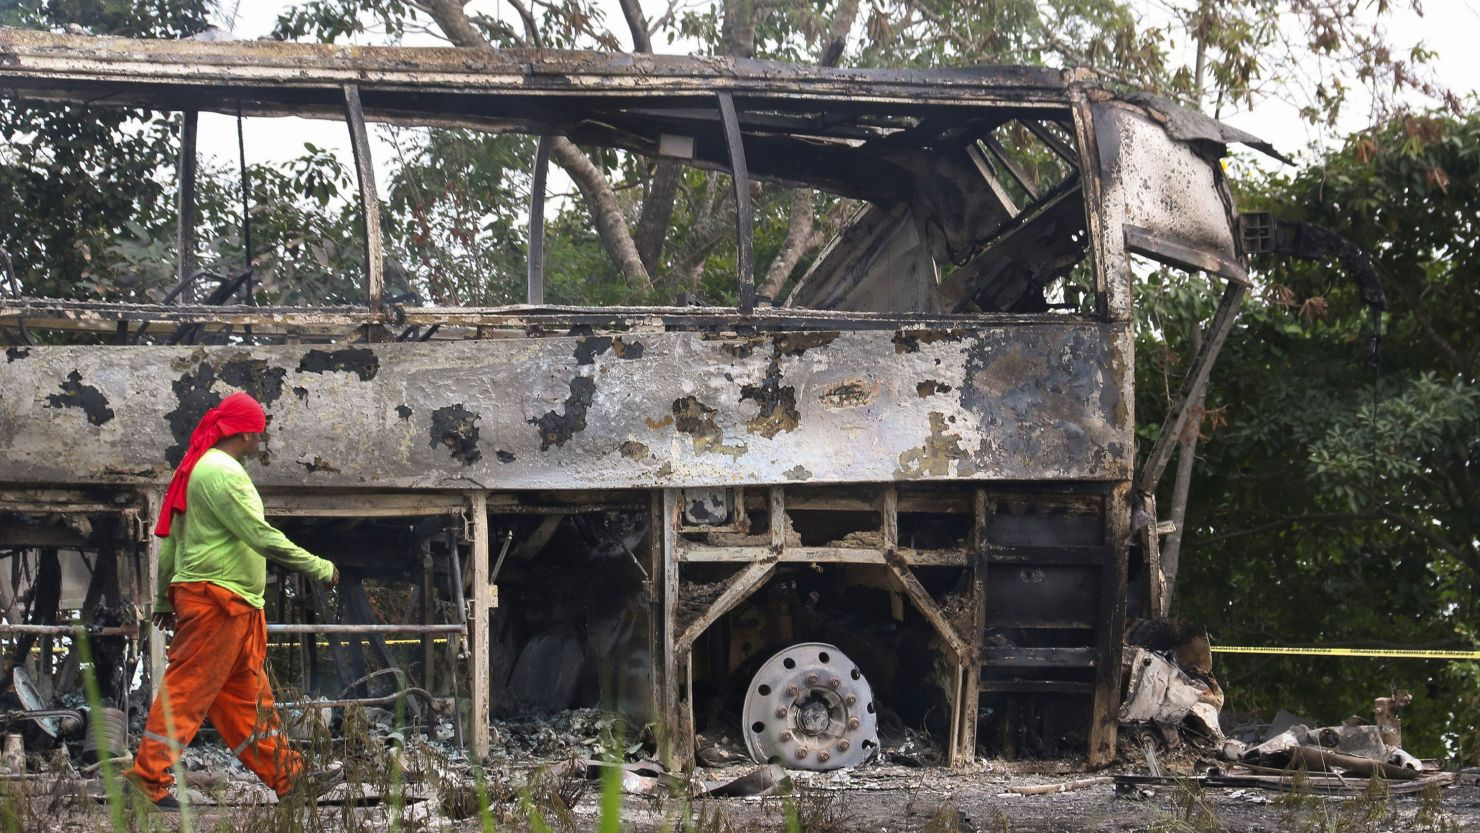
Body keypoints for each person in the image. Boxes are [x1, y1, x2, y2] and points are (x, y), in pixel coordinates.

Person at [124, 391, 340, 810]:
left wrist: (166, 600)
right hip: (219, 602)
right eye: (258, 434)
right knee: (186, 693)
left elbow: (169, 544)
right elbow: (260, 535)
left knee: (248, 702)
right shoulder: (224, 473)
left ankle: (290, 779)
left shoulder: (196, 469)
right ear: (245, 433)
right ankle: (147, 780)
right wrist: (319, 567)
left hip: (225, 603)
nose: (260, 442)